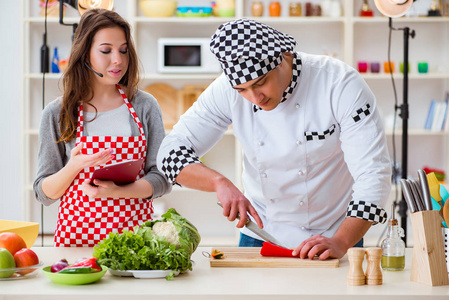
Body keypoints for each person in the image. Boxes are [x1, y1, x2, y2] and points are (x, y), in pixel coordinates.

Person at [157, 19, 391, 260]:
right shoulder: (225, 91)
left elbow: (374, 174)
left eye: (260, 83)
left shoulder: (339, 84)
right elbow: (169, 153)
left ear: (284, 57)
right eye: (242, 90)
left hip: (335, 236)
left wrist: (341, 241)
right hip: (261, 234)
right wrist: (218, 182)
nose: (254, 97)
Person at [34, 8, 171, 247]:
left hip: (135, 245)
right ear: (85, 54)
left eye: (123, 50)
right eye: (106, 50)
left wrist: (116, 192)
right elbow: (43, 193)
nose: (117, 60)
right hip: (77, 245)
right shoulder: (57, 113)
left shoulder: (145, 106)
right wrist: (74, 166)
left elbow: (162, 179)